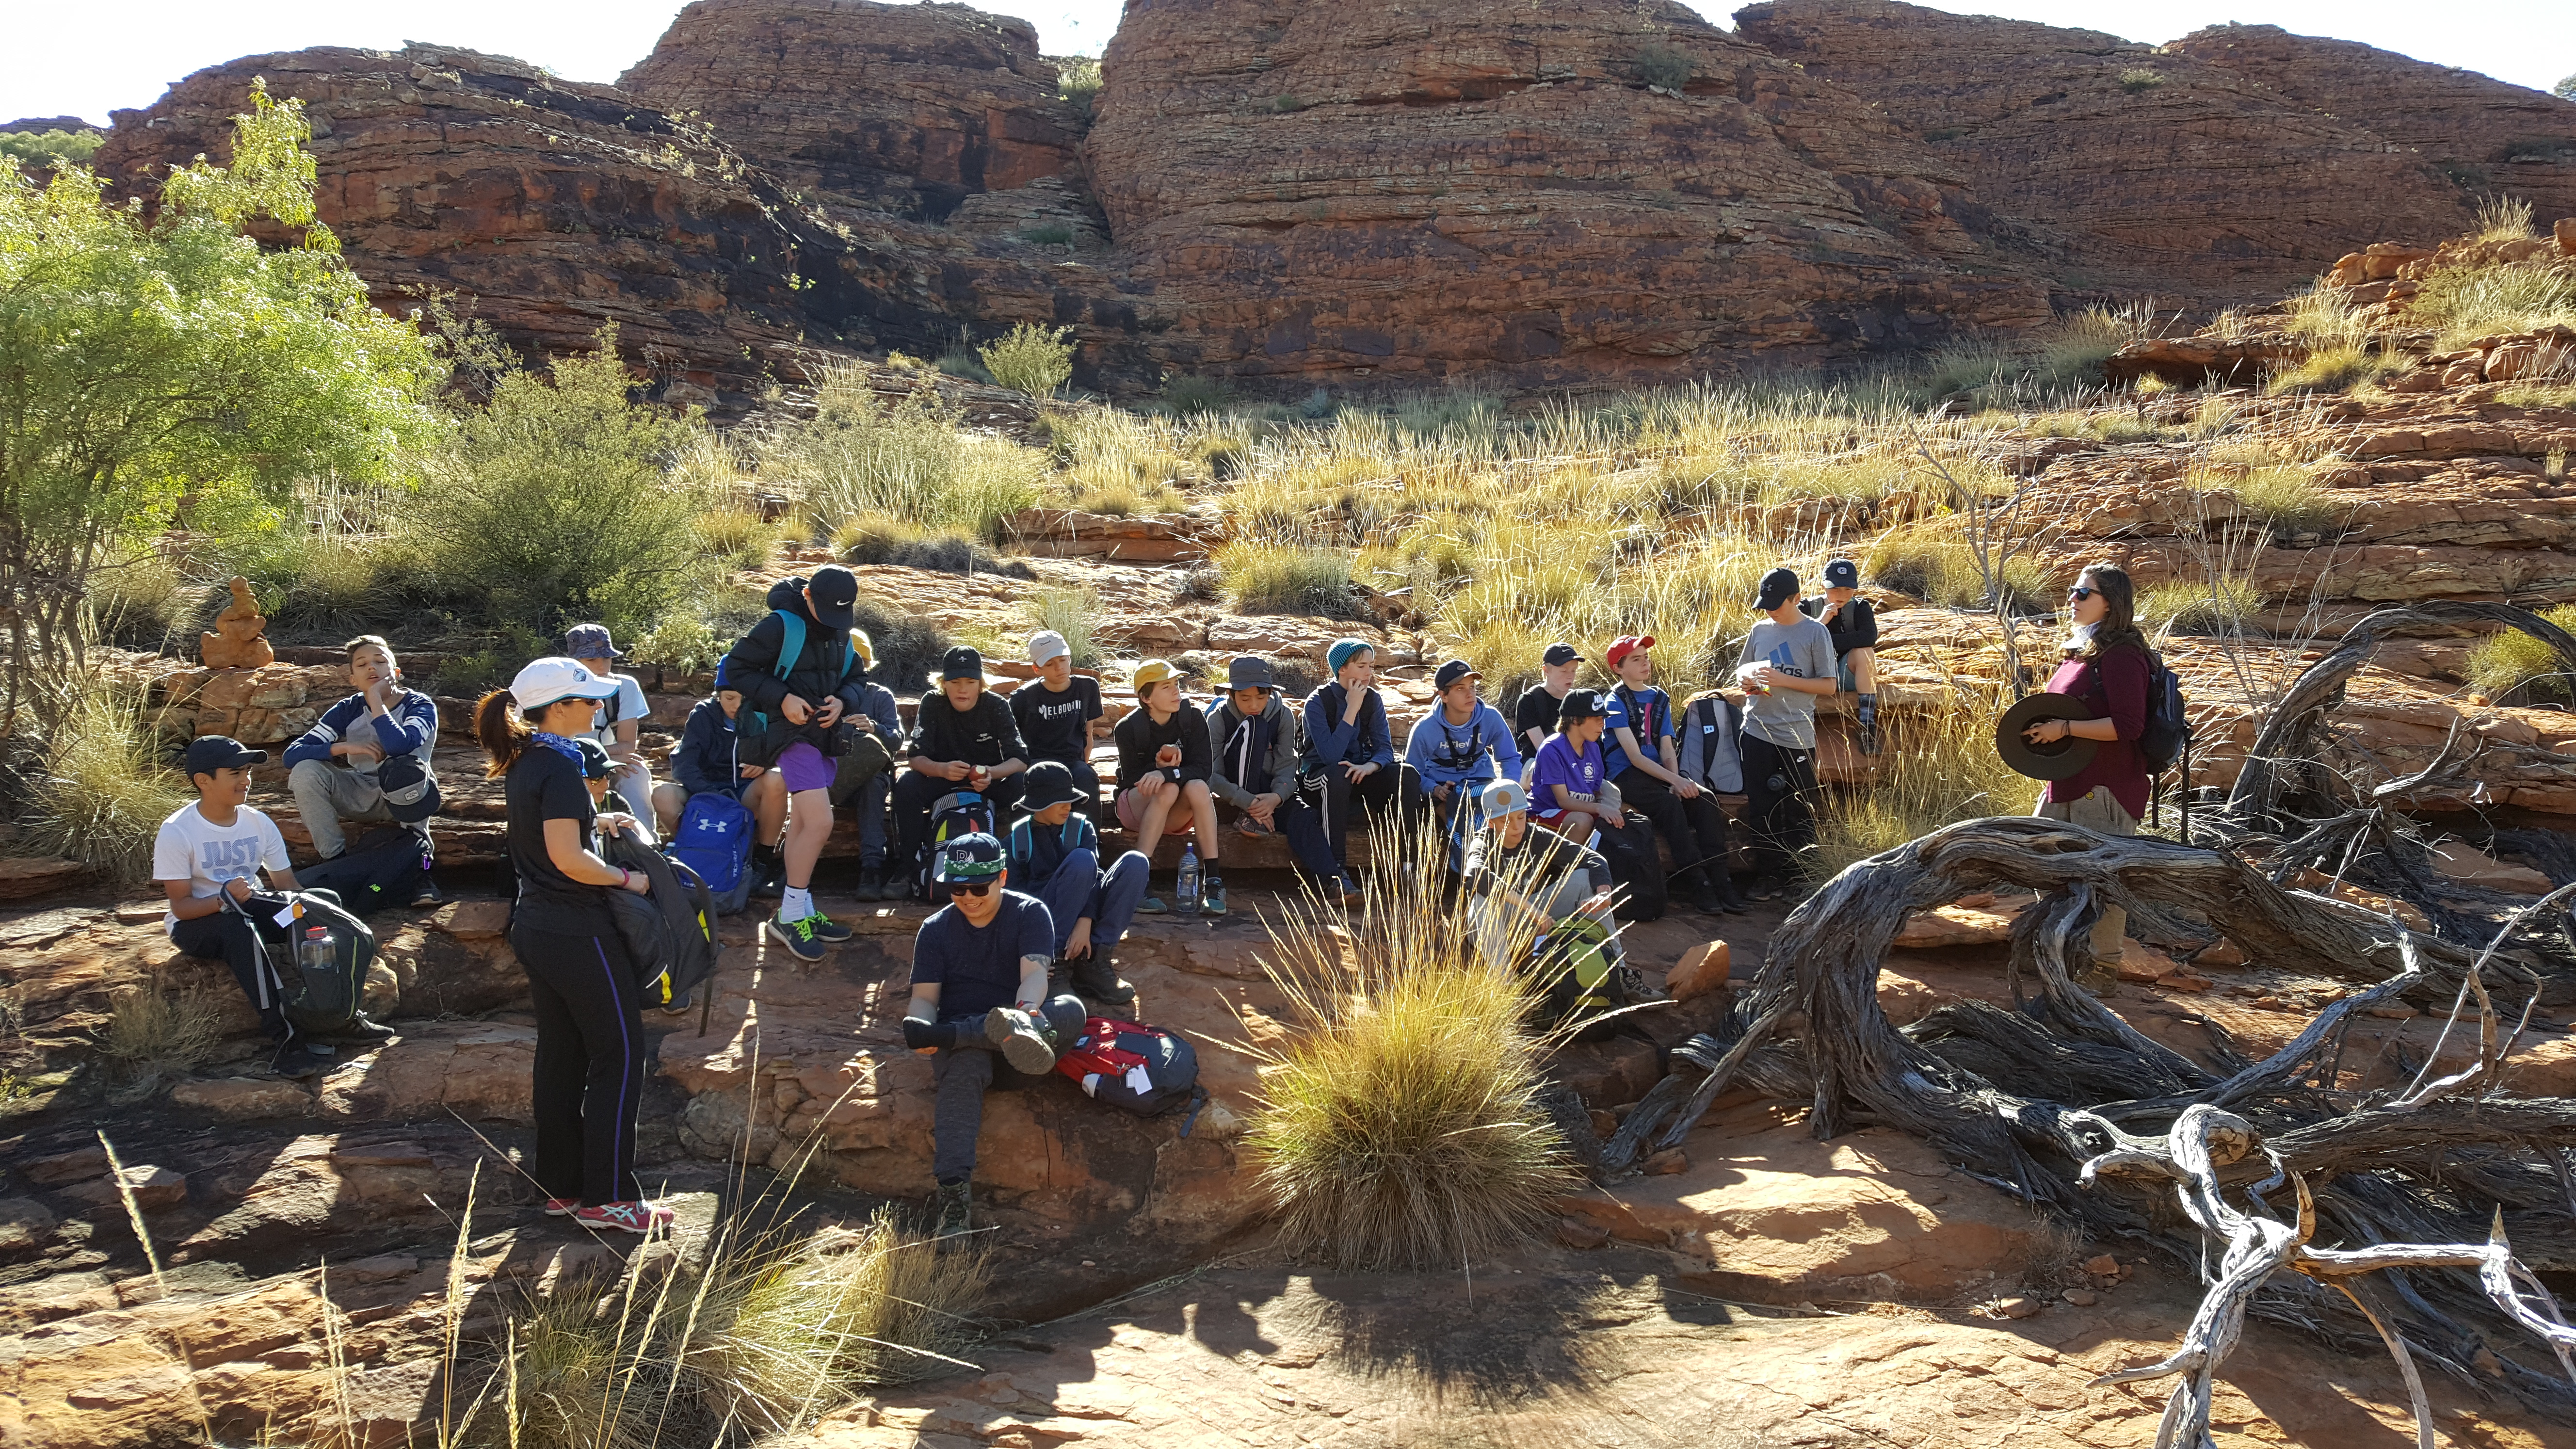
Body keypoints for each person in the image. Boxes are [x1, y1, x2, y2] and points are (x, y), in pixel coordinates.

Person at [476, 657, 672, 1234]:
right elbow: (566, 860)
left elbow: (553, 840)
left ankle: (561, 1189)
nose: (597, 708)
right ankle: (608, 1198)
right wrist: (627, 879)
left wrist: (596, 826)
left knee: (561, 1057)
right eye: (587, 701)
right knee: (621, 1054)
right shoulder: (561, 770)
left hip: (537, 927)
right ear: (559, 707)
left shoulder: (528, 760)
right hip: (576, 930)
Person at [900, 832, 1085, 1241]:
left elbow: (1035, 976)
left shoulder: (1030, 913)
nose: (967, 897)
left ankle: (994, 1030)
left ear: (1002, 877)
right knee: (966, 1063)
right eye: (957, 888)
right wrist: (919, 1026)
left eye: (978, 888)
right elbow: (925, 999)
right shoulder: (934, 930)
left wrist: (1021, 1016)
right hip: (964, 1046)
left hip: (1024, 1041)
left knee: (1071, 1010)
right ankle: (953, 1202)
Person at [158, 735, 363, 1079]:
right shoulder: (177, 831)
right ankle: (286, 1040)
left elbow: (287, 889)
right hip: (201, 924)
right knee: (239, 930)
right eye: (236, 773)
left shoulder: (258, 821)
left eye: (248, 771)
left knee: (318, 909)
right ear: (203, 781)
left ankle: (340, 1018)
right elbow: (181, 908)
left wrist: (307, 908)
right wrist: (222, 899)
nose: (246, 780)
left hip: (253, 908)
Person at [720, 568, 869, 961]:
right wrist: (782, 696)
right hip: (789, 736)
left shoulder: (840, 628)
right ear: (807, 595)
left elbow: (856, 676)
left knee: (805, 822)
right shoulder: (779, 626)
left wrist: (843, 702)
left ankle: (800, 908)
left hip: (824, 735)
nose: (833, 621)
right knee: (821, 822)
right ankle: (788, 916)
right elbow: (736, 668)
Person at [2020, 563, 2154, 964]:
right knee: (2040, 863)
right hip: (2065, 780)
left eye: (2083, 594)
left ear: (2110, 604)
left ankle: (2103, 966)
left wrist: (2064, 728)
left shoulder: (2122, 655)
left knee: (2101, 881)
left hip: (2105, 787)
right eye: (2072, 592)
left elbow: (2129, 726)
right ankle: (2057, 955)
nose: (2072, 600)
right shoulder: (2082, 651)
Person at [1462, 777, 1631, 1022]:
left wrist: (1603, 893)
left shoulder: (1536, 835)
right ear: (1490, 823)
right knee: (1482, 897)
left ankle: (1619, 972)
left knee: (1584, 878)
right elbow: (1475, 874)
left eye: (1520, 817)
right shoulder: (1482, 842)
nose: (1516, 827)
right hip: (1503, 923)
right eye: (1505, 821)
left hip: (1539, 921)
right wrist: (1531, 910)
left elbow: (1593, 859)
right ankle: (1506, 991)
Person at [283, 635, 441, 897]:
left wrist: (376, 700)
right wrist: (344, 748)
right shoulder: (348, 709)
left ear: (396, 673)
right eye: (362, 664)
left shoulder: (419, 705)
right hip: (361, 790)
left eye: (380, 662)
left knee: (406, 776)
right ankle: (335, 862)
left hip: (408, 793)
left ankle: (423, 873)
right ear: (352, 679)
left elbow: (399, 746)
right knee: (305, 770)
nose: (372, 668)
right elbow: (292, 755)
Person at [1602, 636, 1743, 915]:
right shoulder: (1614, 701)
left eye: (1646, 657)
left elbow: (1667, 748)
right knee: (1669, 807)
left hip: (1659, 773)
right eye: (1636, 659)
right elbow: (1634, 756)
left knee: (1705, 800)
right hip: (1627, 775)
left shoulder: (1659, 698)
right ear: (1618, 669)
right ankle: (1697, 882)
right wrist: (1674, 783)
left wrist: (1675, 781)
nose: (1645, 663)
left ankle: (1721, 879)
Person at [897, 645, 1032, 898]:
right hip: (943, 781)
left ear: (980, 683)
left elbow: (1020, 759)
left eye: (970, 682)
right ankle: (907, 867)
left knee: (1021, 783)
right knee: (907, 785)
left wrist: (992, 773)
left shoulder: (996, 704)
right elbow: (915, 757)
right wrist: (941, 769)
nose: (962, 689)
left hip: (986, 782)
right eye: (955, 681)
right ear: (943, 683)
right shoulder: (932, 702)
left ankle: (1019, 866)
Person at [1205, 655, 1349, 893]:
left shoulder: (1283, 715)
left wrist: (1277, 797)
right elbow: (1211, 774)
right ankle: (1247, 815)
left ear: (1270, 693)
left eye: (1261, 697)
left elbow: (1287, 763)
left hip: (1271, 789)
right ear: (1230, 695)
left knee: (1302, 816)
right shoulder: (1218, 718)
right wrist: (1247, 801)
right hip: (1235, 789)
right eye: (1245, 698)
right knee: (1255, 726)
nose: (1254, 705)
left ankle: (1330, 880)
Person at [1739, 566, 1839, 902]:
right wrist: (1747, 681)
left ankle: (1801, 879)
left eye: (1777, 604)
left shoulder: (1814, 633)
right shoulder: (1760, 630)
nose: (1770, 610)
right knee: (1761, 808)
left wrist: (1783, 680)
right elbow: (1742, 668)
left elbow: (1828, 685)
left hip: (1796, 735)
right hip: (1756, 730)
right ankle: (1767, 876)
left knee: (1800, 808)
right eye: (1765, 603)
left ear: (1796, 599)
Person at [1004, 761, 1142, 1003]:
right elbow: (1016, 903)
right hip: (1045, 918)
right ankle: (1050, 963)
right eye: (1061, 801)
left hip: (1084, 906)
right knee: (1081, 859)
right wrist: (1031, 948)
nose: (1069, 807)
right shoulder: (1016, 840)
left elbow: (1094, 875)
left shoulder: (1082, 828)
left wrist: (1085, 921)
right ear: (1039, 803)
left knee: (1136, 862)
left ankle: (1093, 961)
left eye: (1070, 800)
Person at [1531, 687, 1665, 919]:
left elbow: (1594, 790)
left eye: (1603, 718)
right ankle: (1560, 876)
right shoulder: (1552, 748)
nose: (1602, 724)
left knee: (1624, 820)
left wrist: (1610, 809)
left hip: (1581, 807)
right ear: (1574, 719)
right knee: (1583, 821)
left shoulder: (1593, 747)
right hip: (1547, 812)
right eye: (1596, 719)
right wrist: (1600, 809)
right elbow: (1563, 800)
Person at [1304, 638, 1418, 892]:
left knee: (1406, 775)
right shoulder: (1317, 702)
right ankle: (1336, 872)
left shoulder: (1373, 699)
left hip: (1360, 773)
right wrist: (1352, 708)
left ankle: (1410, 867)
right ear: (1342, 669)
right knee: (1339, 773)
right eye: (1362, 666)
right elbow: (1331, 756)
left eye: (1372, 666)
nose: (1369, 673)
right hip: (1321, 779)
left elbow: (1385, 749)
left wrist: (1372, 767)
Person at [1113, 658, 1224, 915]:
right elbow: (1131, 779)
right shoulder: (1128, 728)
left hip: (1174, 814)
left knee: (1197, 787)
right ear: (1146, 698)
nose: (1177, 691)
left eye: (1176, 684)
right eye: (1166, 687)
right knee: (1169, 789)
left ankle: (1214, 882)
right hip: (1136, 810)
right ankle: (1139, 882)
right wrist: (1159, 771)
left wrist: (1169, 772)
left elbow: (1204, 770)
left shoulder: (1193, 719)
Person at [652, 689, 788, 895]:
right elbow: (683, 766)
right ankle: (697, 850)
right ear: (718, 696)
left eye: (744, 699)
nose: (737, 706)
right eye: (729, 698)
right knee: (663, 795)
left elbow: (790, 753)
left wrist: (767, 762)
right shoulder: (702, 715)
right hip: (706, 796)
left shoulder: (768, 715)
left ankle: (763, 860)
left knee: (777, 778)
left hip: (745, 796)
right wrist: (712, 796)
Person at [1404, 659, 1522, 869]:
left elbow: (1510, 758)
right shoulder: (1425, 729)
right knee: (1459, 819)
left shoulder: (1491, 717)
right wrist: (1434, 789)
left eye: (1472, 687)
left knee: (1505, 822)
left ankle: (1508, 873)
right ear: (1444, 696)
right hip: (1444, 791)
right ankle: (1469, 873)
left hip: (1481, 783)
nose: (1470, 695)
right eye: (1461, 689)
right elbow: (1411, 773)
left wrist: (1509, 788)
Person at [828, 629, 908, 901]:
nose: (851, 667)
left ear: (867, 664)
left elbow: (897, 739)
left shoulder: (879, 696)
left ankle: (872, 868)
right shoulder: (824, 696)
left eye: (858, 661)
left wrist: (875, 729)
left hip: (870, 779)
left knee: (872, 785)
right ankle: (786, 868)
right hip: (829, 777)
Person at [564, 625, 656, 841]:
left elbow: (627, 746)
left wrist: (608, 760)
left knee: (636, 772)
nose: (602, 666)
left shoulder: (624, 686)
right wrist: (606, 757)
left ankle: (648, 845)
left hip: (610, 763)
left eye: (606, 658)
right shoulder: (560, 691)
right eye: (592, 661)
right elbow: (558, 747)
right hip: (572, 765)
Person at [1010, 630, 1108, 821]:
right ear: (1037, 669)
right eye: (1050, 664)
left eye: (1063, 660)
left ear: (1069, 658)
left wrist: (1085, 764)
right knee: (1021, 784)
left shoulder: (1088, 687)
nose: (1059, 668)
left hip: (1073, 761)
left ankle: (1089, 842)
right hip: (1038, 762)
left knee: (1086, 779)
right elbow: (1012, 742)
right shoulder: (1024, 697)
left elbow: (1088, 735)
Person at [1802, 559, 1882, 755]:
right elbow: (1800, 644)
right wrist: (1820, 623)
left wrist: (1825, 640)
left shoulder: (1860, 607)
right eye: (1835, 589)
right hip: (1813, 675)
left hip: (1845, 673)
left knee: (1865, 653)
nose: (1842, 595)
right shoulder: (1806, 608)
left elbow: (1869, 638)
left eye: (1848, 589)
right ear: (1823, 586)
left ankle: (1867, 726)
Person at [1515, 642, 1584, 766]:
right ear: (1546, 670)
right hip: (1538, 764)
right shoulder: (1529, 700)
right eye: (1564, 671)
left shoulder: (1578, 700)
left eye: (1574, 671)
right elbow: (1544, 748)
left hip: (1577, 764)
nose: (1571, 676)